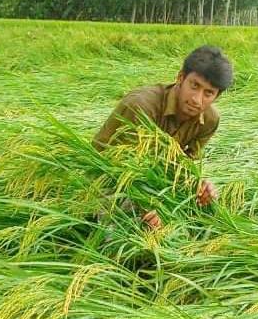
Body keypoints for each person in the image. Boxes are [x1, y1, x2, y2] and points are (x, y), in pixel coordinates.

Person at [92, 45, 233, 230]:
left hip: (153, 175)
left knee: (205, 213)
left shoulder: (209, 120)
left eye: (208, 93)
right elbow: (123, 168)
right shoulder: (142, 106)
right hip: (106, 175)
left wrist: (199, 184)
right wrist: (147, 208)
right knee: (130, 231)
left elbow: (187, 162)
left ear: (216, 96)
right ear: (180, 78)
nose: (197, 100)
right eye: (194, 86)